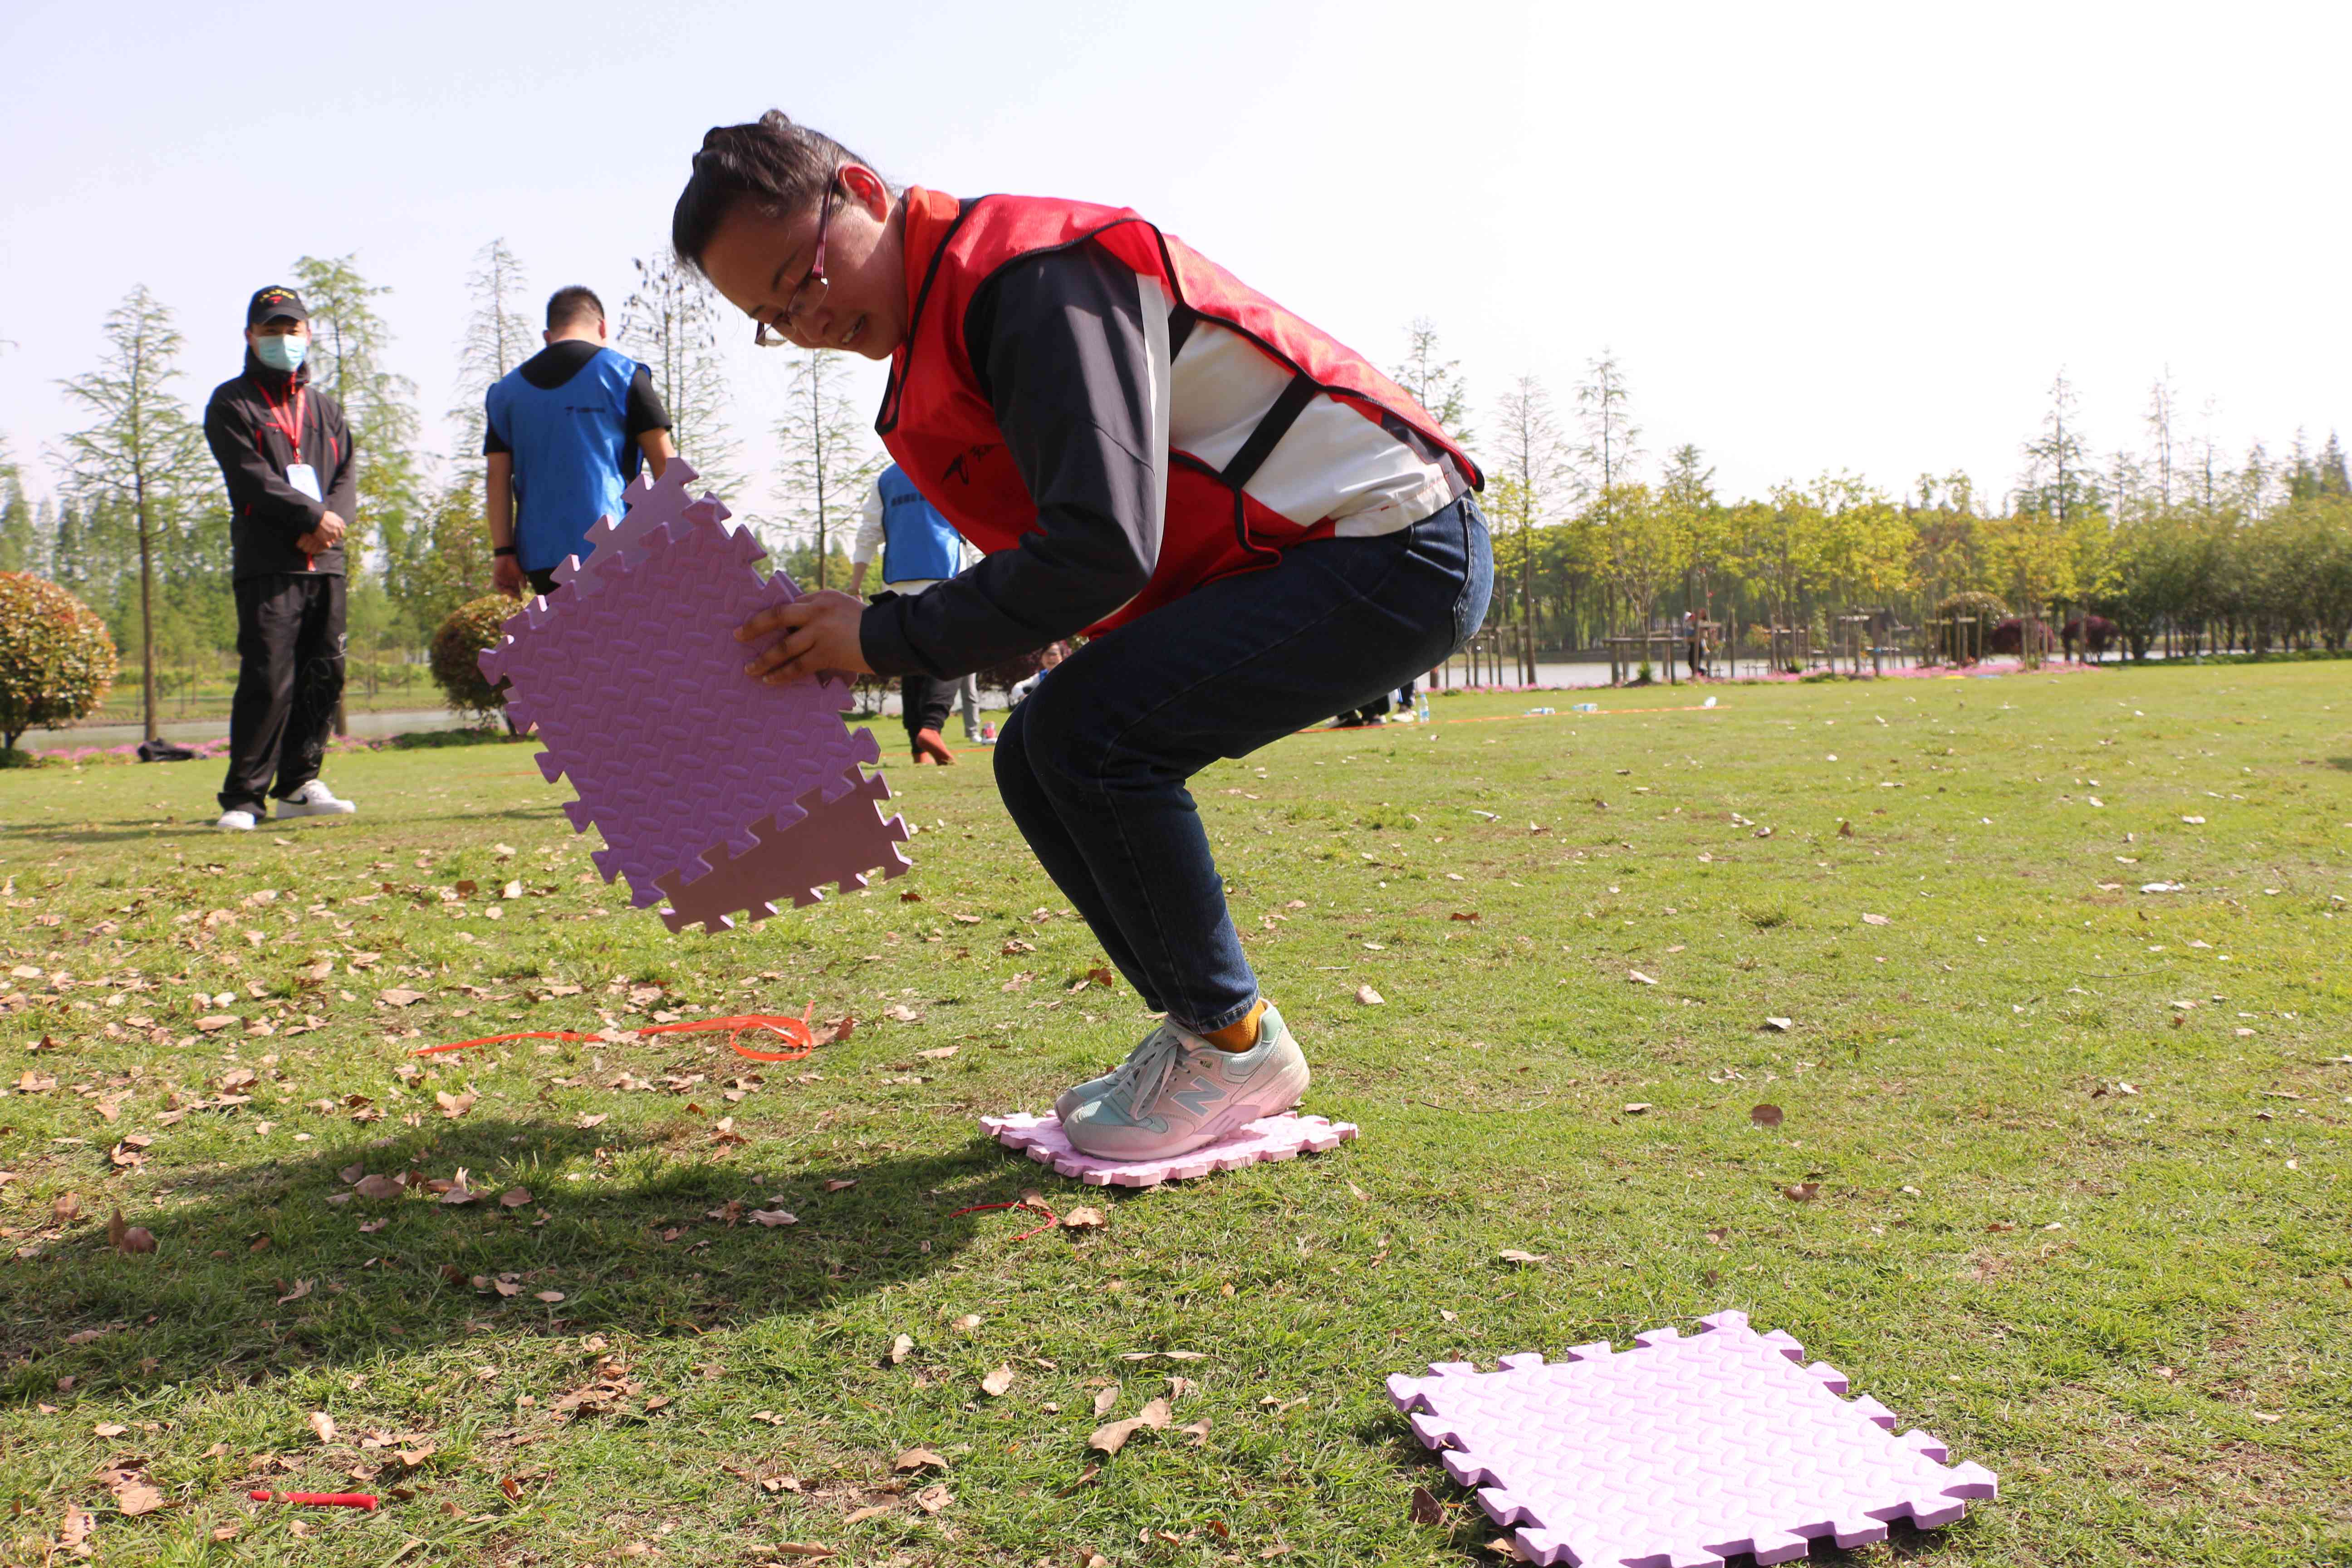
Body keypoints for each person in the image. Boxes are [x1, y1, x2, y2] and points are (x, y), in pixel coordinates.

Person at [676, 112, 1491, 1160]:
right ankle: (1214, 1032)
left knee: (1086, 738)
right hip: (1324, 556)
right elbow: (1062, 578)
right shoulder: (948, 325)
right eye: (773, 315)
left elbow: (1100, 547)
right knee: (1038, 748)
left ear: (863, 190)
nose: (807, 315)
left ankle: (1231, 1044)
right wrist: (855, 642)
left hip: (1392, 539)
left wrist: (883, 637)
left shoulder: (1027, 275)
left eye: (802, 271)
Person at [203, 286, 360, 830]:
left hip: (327, 562)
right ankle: (245, 798)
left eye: (292, 329)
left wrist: (329, 524)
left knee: (326, 673)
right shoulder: (232, 403)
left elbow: (346, 479)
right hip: (269, 563)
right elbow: (250, 477)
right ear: (251, 336)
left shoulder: (326, 410)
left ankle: (298, 782)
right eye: (272, 330)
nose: (283, 339)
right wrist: (309, 519)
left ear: (308, 333)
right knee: (269, 677)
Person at [485, 287, 678, 597]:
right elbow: (666, 465)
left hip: (541, 556)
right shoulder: (624, 374)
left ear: (548, 336)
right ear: (603, 328)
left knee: (566, 643)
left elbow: (497, 477)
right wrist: (682, 538)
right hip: (616, 545)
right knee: (625, 642)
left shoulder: (505, 392)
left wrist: (503, 553)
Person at [849, 463, 975, 764]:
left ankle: (919, 751)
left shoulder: (886, 479)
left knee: (912, 659)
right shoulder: (950, 464)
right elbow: (973, 518)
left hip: (898, 580)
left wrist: (855, 584)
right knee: (956, 650)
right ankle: (931, 727)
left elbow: (868, 533)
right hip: (945, 573)